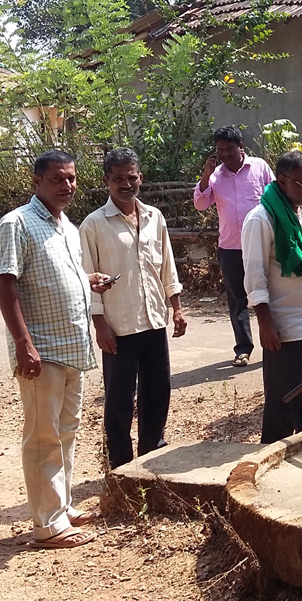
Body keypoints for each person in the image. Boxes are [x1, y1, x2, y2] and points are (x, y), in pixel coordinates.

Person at [0, 151, 114, 549]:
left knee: (65, 432)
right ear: (37, 181)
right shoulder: (16, 224)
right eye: (57, 179)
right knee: (43, 437)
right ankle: (47, 525)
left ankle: (62, 508)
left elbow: (60, 274)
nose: (67, 186)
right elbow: (6, 284)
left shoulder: (67, 226)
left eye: (72, 179)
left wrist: (88, 280)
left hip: (72, 344)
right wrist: (23, 344)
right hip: (41, 349)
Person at [79, 147, 187, 469]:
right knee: (119, 401)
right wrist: (100, 325)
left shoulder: (155, 217)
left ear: (140, 177)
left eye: (131, 177)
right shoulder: (93, 225)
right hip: (119, 327)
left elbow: (167, 267)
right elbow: (89, 278)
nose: (126, 184)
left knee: (158, 393)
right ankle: (122, 467)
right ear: (106, 182)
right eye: (118, 179)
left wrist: (177, 308)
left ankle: (152, 460)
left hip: (154, 322)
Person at [243, 151, 302, 442]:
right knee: (283, 404)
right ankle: (271, 462)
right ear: (282, 181)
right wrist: (265, 323)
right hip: (286, 330)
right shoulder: (261, 219)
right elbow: (254, 276)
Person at [193, 126, 274, 367]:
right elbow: (200, 203)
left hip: (262, 243)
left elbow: (275, 197)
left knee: (270, 294)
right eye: (220, 150)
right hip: (230, 247)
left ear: (241, 147)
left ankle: (275, 342)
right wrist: (205, 175)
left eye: (229, 149)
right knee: (237, 299)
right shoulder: (216, 175)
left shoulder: (260, 167)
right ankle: (243, 348)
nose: (225, 154)